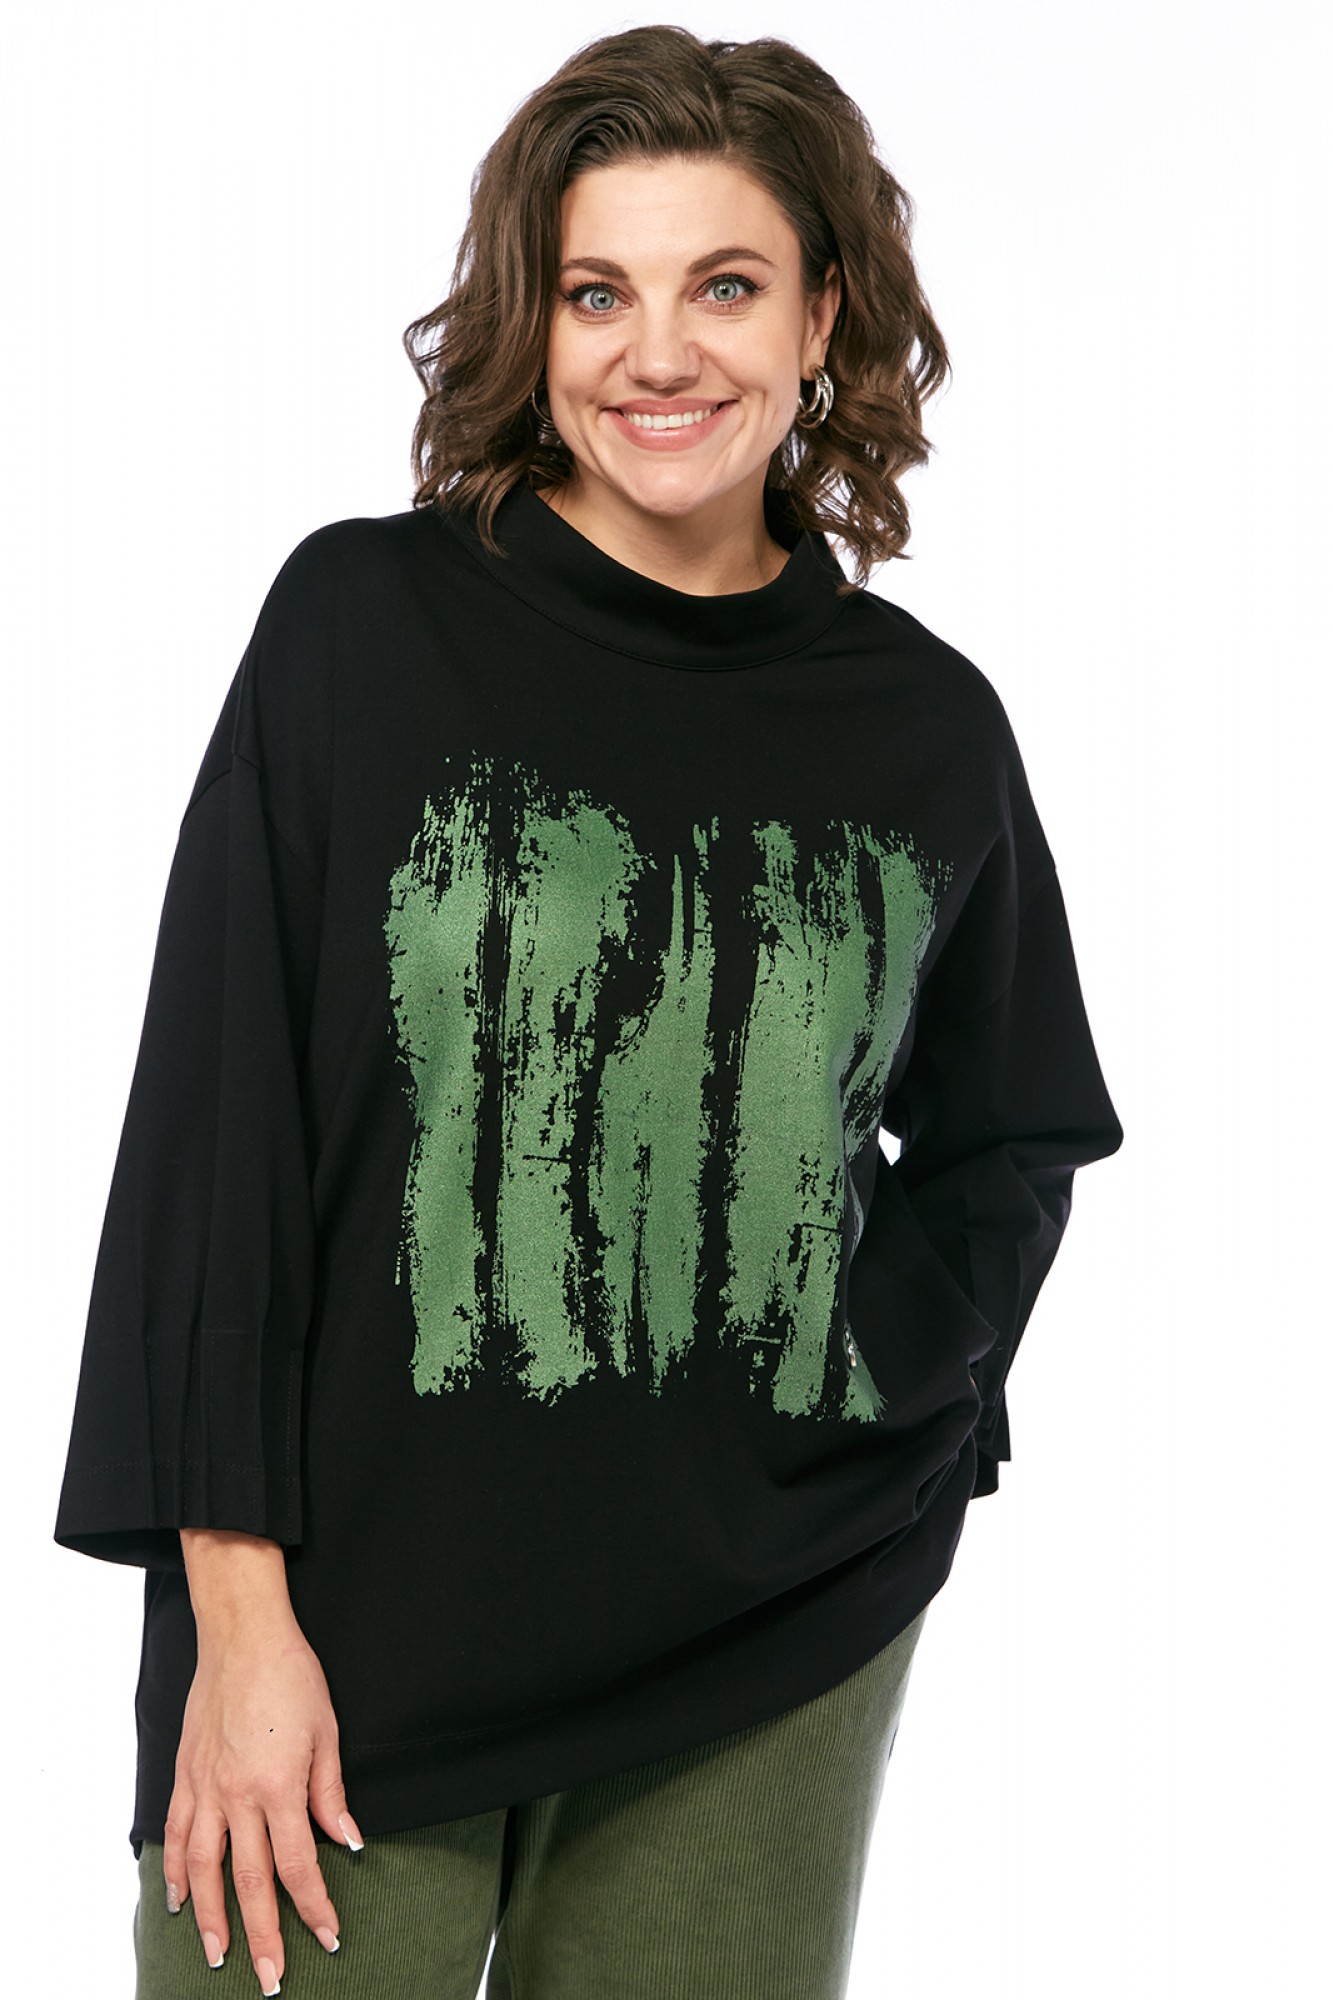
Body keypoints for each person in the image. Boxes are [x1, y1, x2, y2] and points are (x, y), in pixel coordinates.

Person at [56, 24, 1124, 2000]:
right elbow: (218, 1143)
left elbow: (1013, 1135)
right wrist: (236, 1614)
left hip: (762, 1647)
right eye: (595, 291)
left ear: (819, 316)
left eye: (723, 285)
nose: (659, 352)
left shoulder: (919, 727)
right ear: (530, 323)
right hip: (344, 1637)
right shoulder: (362, 629)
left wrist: (886, 1415)